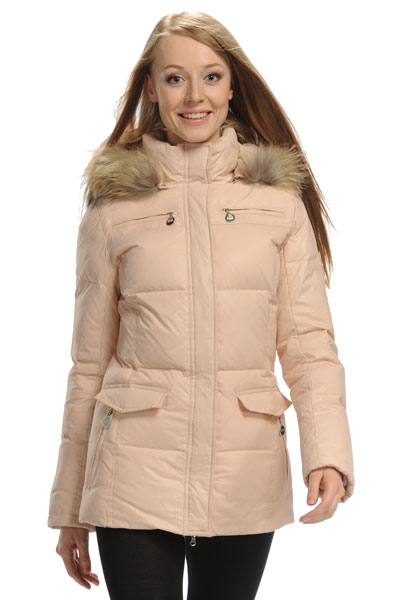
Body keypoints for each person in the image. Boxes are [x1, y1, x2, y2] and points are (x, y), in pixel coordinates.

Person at [47, 11, 355, 600]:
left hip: (245, 469)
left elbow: (310, 345)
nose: (195, 96)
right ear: (151, 88)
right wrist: (68, 508)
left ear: (232, 85)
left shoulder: (278, 205)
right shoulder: (112, 210)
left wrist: (330, 455)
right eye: (175, 78)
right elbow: (88, 365)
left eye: (211, 76)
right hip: (131, 470)